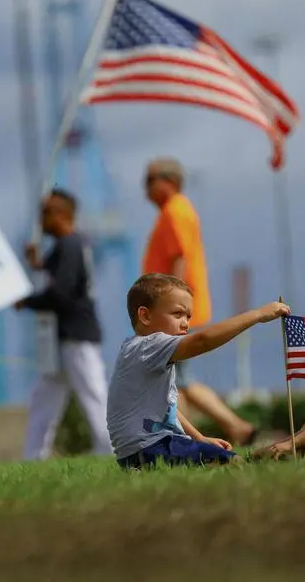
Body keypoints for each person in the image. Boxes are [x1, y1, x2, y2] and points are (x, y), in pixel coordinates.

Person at [107, 273, 289, 470]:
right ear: (145, 316)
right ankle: (264, 457)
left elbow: (168, 408)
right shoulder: (149, 345)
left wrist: (200, 439)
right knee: (232, 463)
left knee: (224, 458)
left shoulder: (140, 351)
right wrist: (258, 314)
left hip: (143, 450)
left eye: (188, 317)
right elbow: (202, 340)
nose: (186, 323)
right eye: (177, 314)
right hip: (152, 448)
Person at [142, 158, 257, 446]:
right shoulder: (178, 210)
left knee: (177, 378)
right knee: (178, 378)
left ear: (166, 181)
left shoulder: (175, 211)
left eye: (149, 180)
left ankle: (229, 427)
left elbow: (179, 256)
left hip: (173, 311)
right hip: (178, 309)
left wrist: (170, 306)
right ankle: (228, 428)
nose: (145, 188)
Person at [15, 189, 112, 460]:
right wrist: (37, 263)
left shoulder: (69, 245)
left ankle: (112, 448)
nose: (40, 220)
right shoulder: (70, 245)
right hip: (65, 339)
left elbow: (61, 293)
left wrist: (28, 302)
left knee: (94, 396)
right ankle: (34, 456)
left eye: (45, 213)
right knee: (44, 400)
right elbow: (56, 276)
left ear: (61, 215)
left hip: (77, 338)